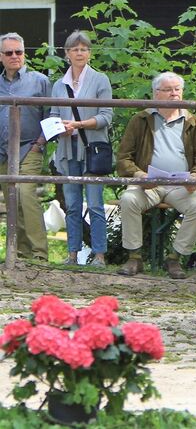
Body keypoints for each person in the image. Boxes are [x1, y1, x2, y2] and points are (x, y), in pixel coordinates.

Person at [115, 72, 196, 279]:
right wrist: (140, 175)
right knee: (128, 199)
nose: (174, 94)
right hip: (149, 184)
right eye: (168, 90)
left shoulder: (193, 122)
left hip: (180, 185)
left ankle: (175, 258)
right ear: (156, 94)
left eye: (177, 89)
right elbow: (123, 158)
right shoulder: (140, 120)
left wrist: (195, 175)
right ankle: (134, 257)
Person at [49, 31, 113, 267]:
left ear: (89, 53)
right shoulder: (58, 85)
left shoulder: (100, 80)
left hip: (92, 148)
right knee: (72, 205)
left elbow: (107, 116)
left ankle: (99, 255)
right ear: (67, 54)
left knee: (95, 203)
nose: (79, 53)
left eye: (83, 49)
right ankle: (72, 254)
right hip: (67, 148)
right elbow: (53, 115)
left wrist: (78, 124)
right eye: (74, 49)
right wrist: (60, 128)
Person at [0, 32, 50, 262]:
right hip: (2, 151)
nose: (14, 56)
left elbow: (52, 116)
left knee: (25, 193)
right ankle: (20, 253)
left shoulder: (39, 81)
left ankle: (39, 253)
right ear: (1, 56)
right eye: (9, 53)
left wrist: (39, 144)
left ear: (24, 53)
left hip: (29, 147)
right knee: (12, 198)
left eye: (18, 52)